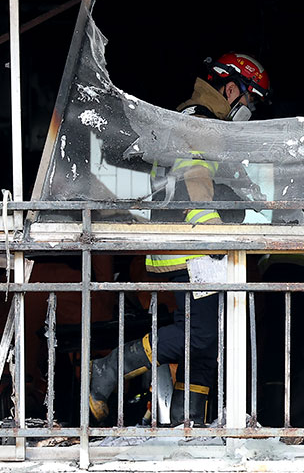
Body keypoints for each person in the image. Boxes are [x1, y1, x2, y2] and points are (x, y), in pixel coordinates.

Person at [87, 53, 270, 427]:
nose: (250, 110)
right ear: (232, 89)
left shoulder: (197, 123)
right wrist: (212, 230)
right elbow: (196, 177)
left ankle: (188, 426)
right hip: (195, 251)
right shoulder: (199, 126)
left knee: (205, 346)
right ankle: (108, 368)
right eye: (251, 101)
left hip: (198, 250)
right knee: (201, 338)